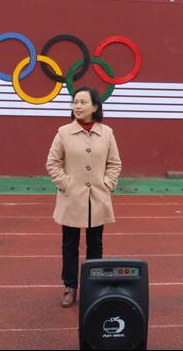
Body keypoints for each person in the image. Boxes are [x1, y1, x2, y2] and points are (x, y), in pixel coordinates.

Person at [46, 86, 122, 308]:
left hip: (97, 197)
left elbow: (114, 163)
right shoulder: (63, 133)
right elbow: (53, 163)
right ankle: (70, 286)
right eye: (75, 102)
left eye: (82, 102)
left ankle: (94, 286)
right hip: (71, 198)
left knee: (95, 244)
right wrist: (66, 184)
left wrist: (107, 184)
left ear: (95, 106)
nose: (77, 106)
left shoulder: (107, 133)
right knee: (69, 245)